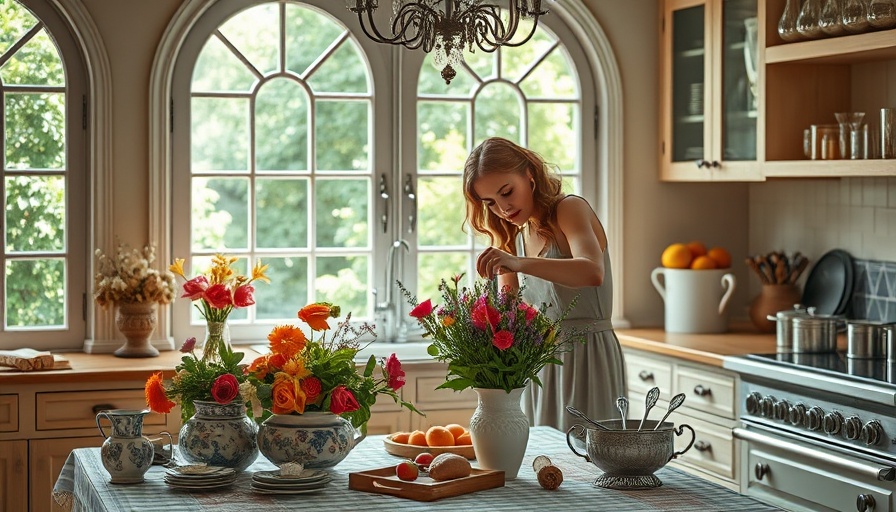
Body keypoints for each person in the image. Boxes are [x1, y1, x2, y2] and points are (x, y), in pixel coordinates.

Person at [462, 136, 626, 431]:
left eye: (507, 192)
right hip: (543, 362)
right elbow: (509, 316)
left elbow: (592, 271)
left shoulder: (569, 209)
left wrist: (518, 263)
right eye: (491, 202)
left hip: (589, 356)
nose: (503, 208)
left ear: (529, 174)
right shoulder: (513, 237)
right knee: (546, 462)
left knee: (590, 461)